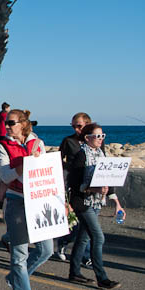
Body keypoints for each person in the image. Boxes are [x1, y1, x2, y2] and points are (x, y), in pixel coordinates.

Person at [0, 109, 53, 290]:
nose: (7, 127)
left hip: (37, 201)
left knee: (46, 249)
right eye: (6, 123)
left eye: (11, 123)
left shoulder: (37, 143)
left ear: (23, 123)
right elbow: (4, 176)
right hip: (16, 201)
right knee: (19, 255)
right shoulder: (4, 145)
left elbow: (45, 171)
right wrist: (22, 166)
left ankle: (14, 278)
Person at [67, 123, 123, 289]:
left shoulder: (101, 154)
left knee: (83, 238)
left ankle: (74, 273)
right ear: (87, 138)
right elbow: (74, 183)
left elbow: (108, 178)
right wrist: (93, 188)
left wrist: (117, 202)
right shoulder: (81, 155)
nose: (101, 139)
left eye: (102, 136)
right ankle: (102, 277)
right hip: (83, 202)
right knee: (98, 237)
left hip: (97, 201)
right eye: (97, 136)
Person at [54, 112, 92, 262]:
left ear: (87, 125)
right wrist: (71, 167)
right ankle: (64, 241)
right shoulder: (68, 141)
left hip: (90, 188)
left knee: (89, 224)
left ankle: (86, 256)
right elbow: (57, 158)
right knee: (75, 222)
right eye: (74, 126)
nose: (76, 129)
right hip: (73, 186)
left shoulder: (95, 140)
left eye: (79, 126)